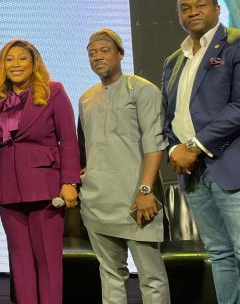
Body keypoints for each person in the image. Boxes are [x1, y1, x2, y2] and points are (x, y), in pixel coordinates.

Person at [162, 0, 240, 303]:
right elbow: (170, 116)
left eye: (200, 5)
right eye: (185, 8)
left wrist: (194, 146)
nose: (192, 12)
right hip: (195, 174)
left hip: (239, 167)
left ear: (216, 9)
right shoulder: (174, 61)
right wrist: (174, 149)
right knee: (221, 255)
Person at [0, 39, 79, 304]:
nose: (15, 65)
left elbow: (68, 140)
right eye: (9, 59)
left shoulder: (53, 91)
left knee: (48, 259)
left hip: (45, 186)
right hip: (7, 187)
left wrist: (69, 182)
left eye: (22, 58)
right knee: (20, 260)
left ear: (33, 62)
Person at [78, 29, 170, 303]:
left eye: (104, 51)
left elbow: (155, 144)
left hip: (137, 200)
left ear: (120, 53)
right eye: (92, 53)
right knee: (110, 274)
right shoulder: (86, 98)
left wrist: (145, 190)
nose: (97, 57)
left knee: (151, 277)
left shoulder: (142, 89)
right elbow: (88, 148)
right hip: (98, 201)